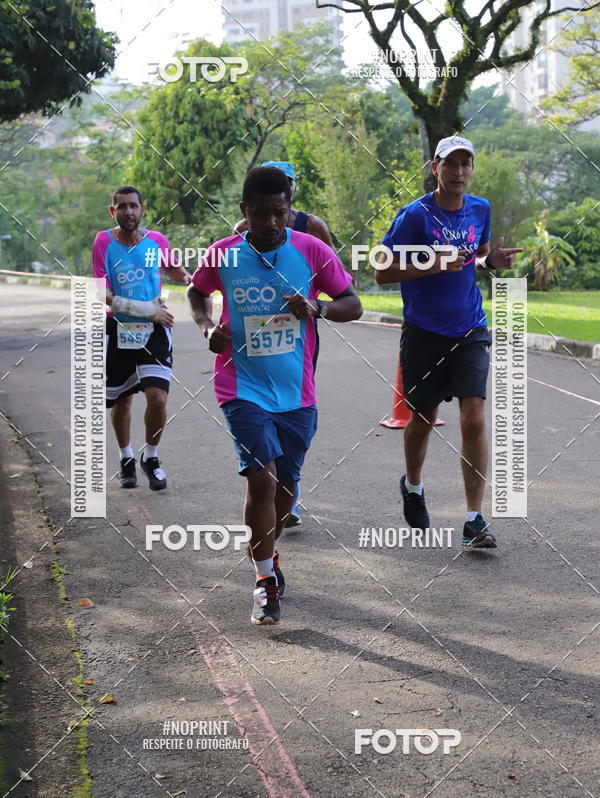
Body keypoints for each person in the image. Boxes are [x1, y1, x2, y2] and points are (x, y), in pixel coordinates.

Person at [188, 166, 362, 624]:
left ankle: (269, 550)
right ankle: (264, 582)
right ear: (244, 212)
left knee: (285, 488)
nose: (269, 223)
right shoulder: (222, 254)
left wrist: (318, 307)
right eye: (259, 214)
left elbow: (352, 303)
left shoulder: (312, 250)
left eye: (278, 213)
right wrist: (208, 327)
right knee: (260, 480)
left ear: (290, 210)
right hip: (240, 387)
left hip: (296, 392)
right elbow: (196, 292)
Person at [376, 137, 522, 549]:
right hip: (424, 332)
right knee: (421, 420)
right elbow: (382, 273)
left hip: (470, 328)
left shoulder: (481, 208)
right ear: (434, 167)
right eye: (451, 164)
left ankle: (475, 518)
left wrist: (488, 262)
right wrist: (432, 263)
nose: (459, 171)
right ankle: (414, 485)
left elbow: (472, 257)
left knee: (474, 418)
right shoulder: (415, 216)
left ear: (472, 169)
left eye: (466, 163)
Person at [235, 161, 334, 528]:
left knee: (292, 406)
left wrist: (312, 304)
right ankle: (268, 478)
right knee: (260, 431)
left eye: (288, 186)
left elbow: (333, 276)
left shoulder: (313, 228)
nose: (274, 216)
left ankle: (288, 488)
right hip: (250, 348)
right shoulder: (243, 231)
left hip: (299, 334)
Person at [93, 185, 191, 491]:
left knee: (158, 397)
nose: (128, 212)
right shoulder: (103, 242)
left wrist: (201, 281)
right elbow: (101, 292)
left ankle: (151, 457)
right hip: (118, 330)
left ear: (142, 210)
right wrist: (146, 310)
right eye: (121, 206)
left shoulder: (157, 241)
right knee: (121, 402)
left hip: (154, 332)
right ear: (113, 211)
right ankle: (126, 458)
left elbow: (177, 272)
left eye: (133, 206)